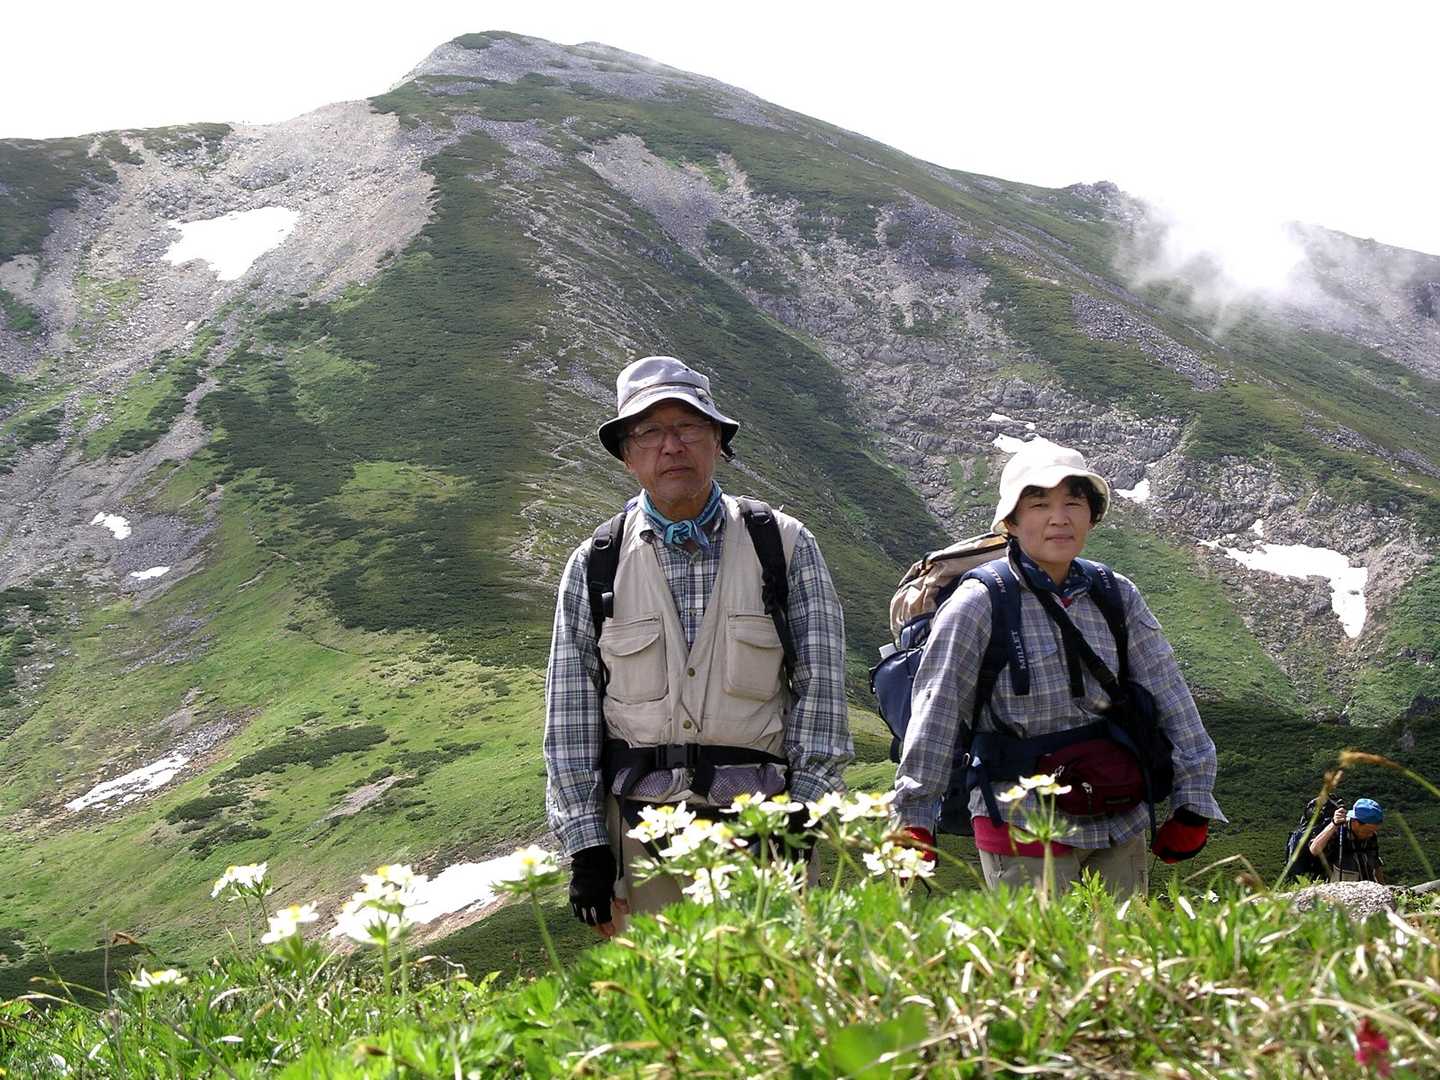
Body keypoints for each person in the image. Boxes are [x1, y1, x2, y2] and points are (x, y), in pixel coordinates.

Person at [544, 355, 852, 937]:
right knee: (658, 992)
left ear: (718, 441)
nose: (671, 446)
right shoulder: (595, 564)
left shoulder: (784, 546)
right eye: (649, 432)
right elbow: (570, 713)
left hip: (765, 835)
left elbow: (823, 688)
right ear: (627, 455)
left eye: (688, 426)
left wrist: (805, 817)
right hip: (639, 844)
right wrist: (585, 846)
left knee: (773, 988)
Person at [893, 439, 1225, 897]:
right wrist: (913, 819)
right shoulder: (978, 603)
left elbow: (1170, 694)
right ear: (1011, 522)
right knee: (1040, 943)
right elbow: (937, 710)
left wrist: (1193, 800)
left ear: (1092, 515)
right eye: (1039, 505)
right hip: (1020, 820)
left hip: (1118, 814)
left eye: (1074, 503)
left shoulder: (1116, 594)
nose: (1059, 518)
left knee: (1120, 942)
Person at [1309, 797, 1385, 883]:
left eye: (1374, 831)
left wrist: (1382, 885)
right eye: (1368, 831)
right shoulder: (1337, 832)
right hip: (1339, 888)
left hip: (1368, 886)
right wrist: (1334, 824)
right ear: (1355, 822)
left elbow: (1375, 863)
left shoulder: (1371, 836)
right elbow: (1314, 850)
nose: (1371, 834)